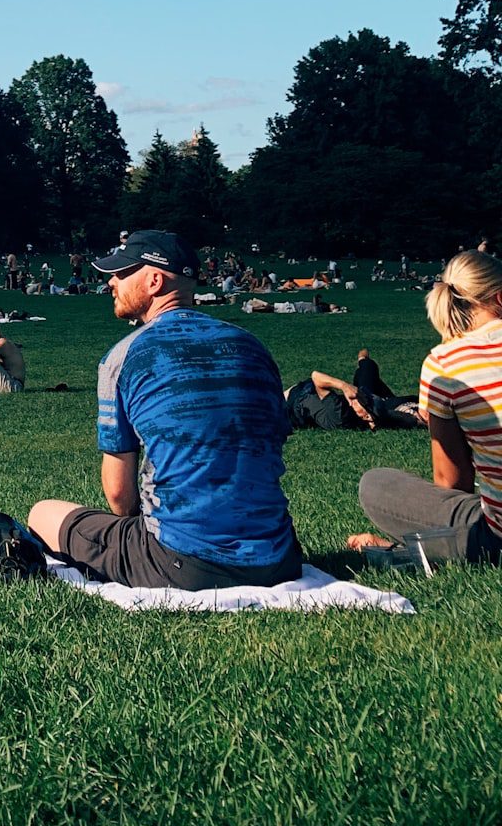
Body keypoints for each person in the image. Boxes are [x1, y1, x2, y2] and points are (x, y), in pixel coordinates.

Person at [26, 230, 302, 590]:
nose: (112, 282)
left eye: (123, 274)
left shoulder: (125, 357)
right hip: (280, 557)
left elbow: (119, 498)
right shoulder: (252, 347)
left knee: (42, 513)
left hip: (182, 563)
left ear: (154, 280)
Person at [350, 251, 502, 562]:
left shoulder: (444, 365)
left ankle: (409, 553)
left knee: (375, 485)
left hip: (496, 536)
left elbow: (450, 482)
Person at [285, 350, 420, 431]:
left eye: (359, 400)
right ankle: (363, 359)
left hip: (296, 400)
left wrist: (344, 386)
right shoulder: (377, 413)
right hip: (303, 397)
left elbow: (316, 376)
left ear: (366, 416)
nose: (356, 396)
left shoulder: (337, 412)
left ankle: (364, 359)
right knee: (368, 368)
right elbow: (410, 420)